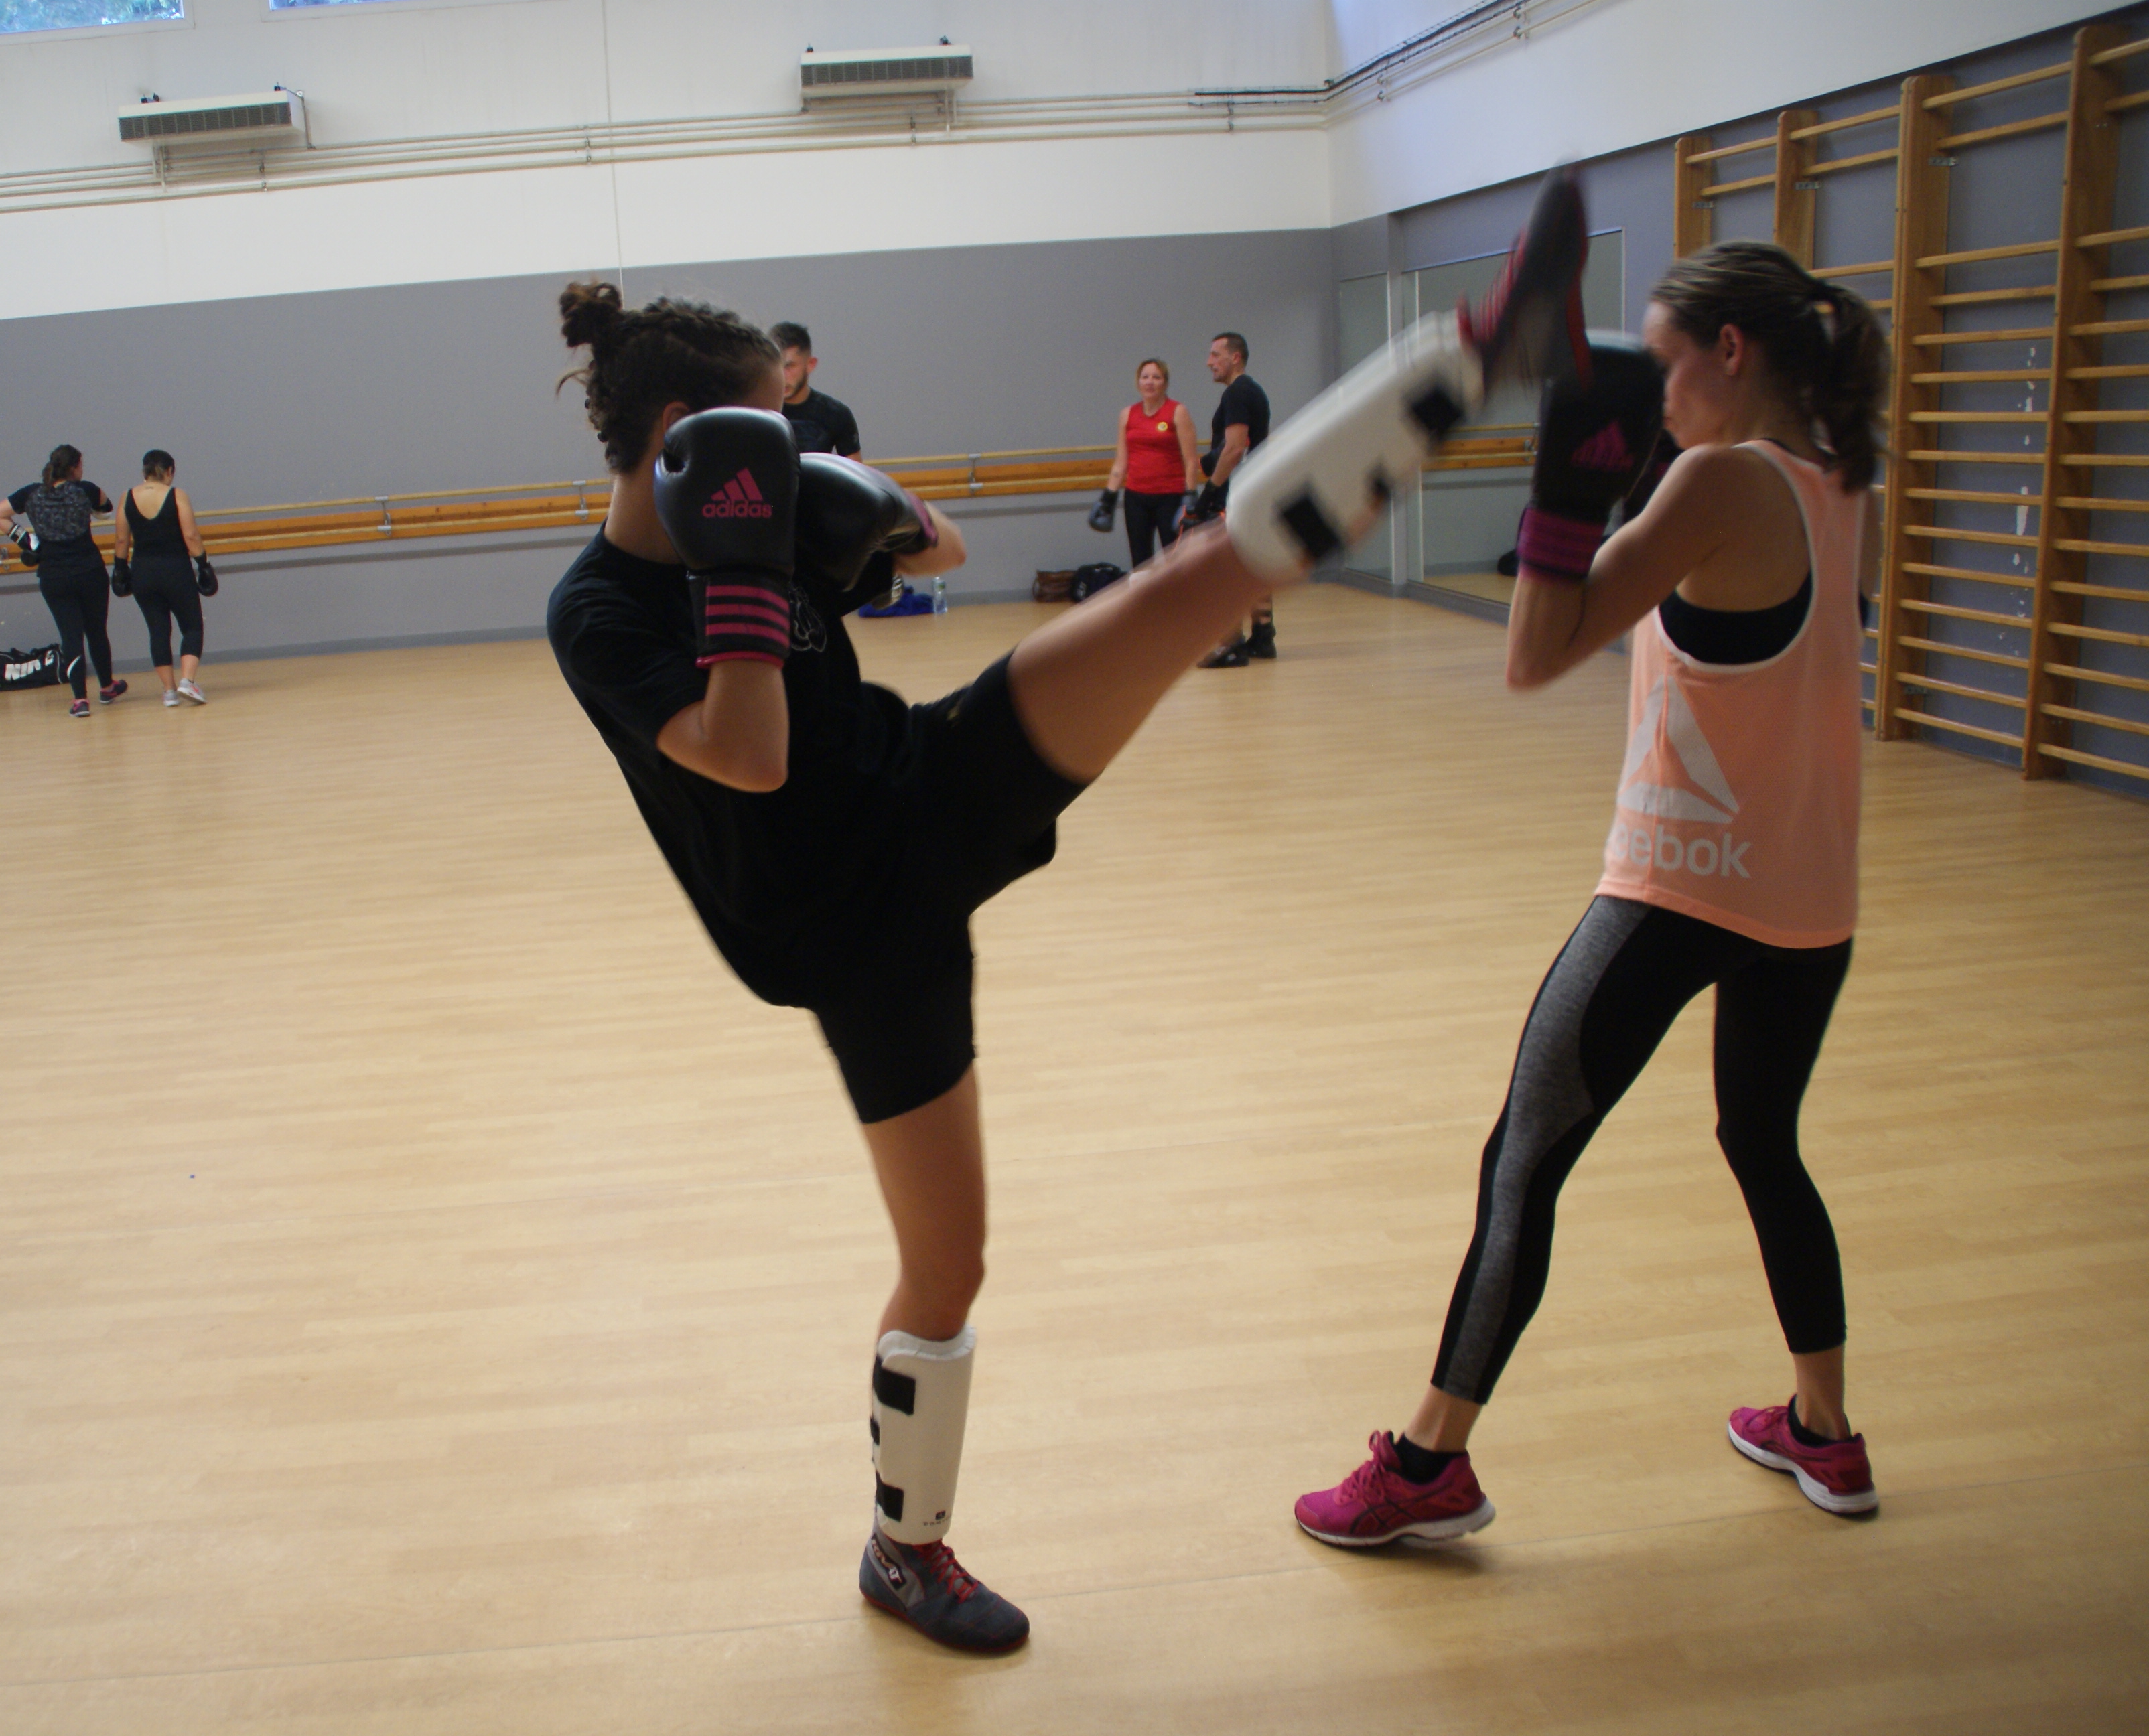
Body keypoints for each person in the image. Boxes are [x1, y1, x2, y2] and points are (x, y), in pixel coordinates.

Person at [539, 172, 1584, 1654]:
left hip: (924, 778)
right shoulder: (595, 614)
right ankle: (905, 1552)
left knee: (1202, 579)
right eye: (765, 434)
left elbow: (947, 559)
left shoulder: (767, 496)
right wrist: (746, 560)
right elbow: (751, 756)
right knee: (951, 1265)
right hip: (844, 932)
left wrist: (853, 508)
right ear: (687, 449)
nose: (790, 449)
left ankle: (1478, 350)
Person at [1293, 238, 1892, 1548]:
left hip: (1678, 886)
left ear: (1729, 354)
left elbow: (1535, 653)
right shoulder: (1847, 479)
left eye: (1669, 359)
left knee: (1522, 1161)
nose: (1657, 389)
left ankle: (1428, 1463)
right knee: (1763, 1145)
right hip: (1809, 895)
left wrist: (1568, 485)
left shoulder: (1716, 478)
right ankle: (1824, 1432)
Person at [0, 445, 123, 718]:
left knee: (70, 636)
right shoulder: (85, 489)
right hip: (89, 571)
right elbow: (107, 508)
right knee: (96, 631)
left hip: (53, 575)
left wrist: (27, 541)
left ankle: (79, 701)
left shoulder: (31, 493)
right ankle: (107, 686)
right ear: (75, 467)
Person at [1194, 332, 1276, 666]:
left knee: (1226, 568)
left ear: (1235, 358)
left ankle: (1230, 643)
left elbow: (1235, 447)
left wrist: (1211, 492)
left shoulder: (1238, 393)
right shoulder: (1250, 390)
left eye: (1216, 355)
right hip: (1253, 489)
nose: (1209, 362)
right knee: (1251, 565)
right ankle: (1263, 636)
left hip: (1238, 493)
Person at [113, 449, 209, 706]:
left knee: (158, 630)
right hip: (176, 568)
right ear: (169, 472)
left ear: (144, 473)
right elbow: (191, 535)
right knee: (192, 626)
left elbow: (122, 538)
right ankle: (187, 681)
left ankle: (169, 692)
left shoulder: (127, 497)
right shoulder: (176, 495)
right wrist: (204, 565)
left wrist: (120, 569)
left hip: (143, 571)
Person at [1091, 359, 1202, 574]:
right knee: (1140, 561)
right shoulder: (1127, 414)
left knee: (1175, 559)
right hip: (1136, 498)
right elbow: (1121, 462)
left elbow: (1190, 460)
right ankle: (1148, 607)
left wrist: (1190, 496)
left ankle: (1179, 605)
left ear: (1165, 383)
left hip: (1170, 497)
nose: (1150, 382)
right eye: (1145, 377)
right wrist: (1108, 496)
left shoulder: (1177, 411)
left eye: (1156, 377)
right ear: (1138, 382)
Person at [771, 321, 862, 460]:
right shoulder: (755, 412)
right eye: (776, 365)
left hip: (817, 481)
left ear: (810, 364)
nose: (782, 375)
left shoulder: (836, 414)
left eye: (790, 366)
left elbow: (855, 474)